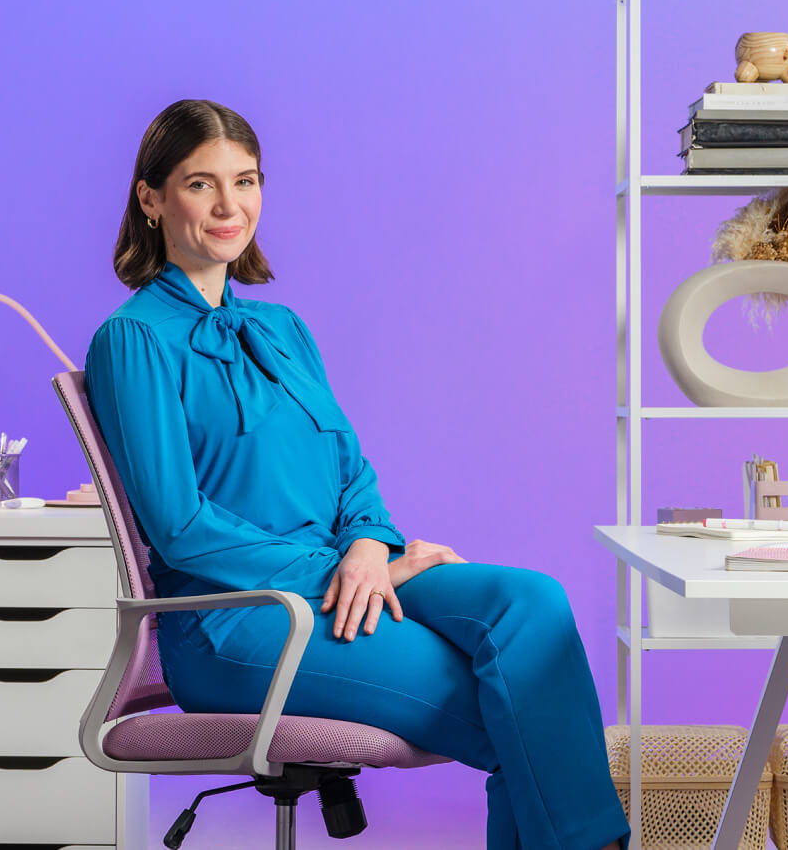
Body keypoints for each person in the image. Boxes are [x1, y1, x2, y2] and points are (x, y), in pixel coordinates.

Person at [84, 98, 630, 850]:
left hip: (347, 577)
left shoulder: (282, 328)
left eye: (245, 182)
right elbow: (179, 529)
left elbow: (351, 467)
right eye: (200, 183)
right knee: (526, 713)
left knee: (531, 601)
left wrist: (372, 551)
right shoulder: (133, 339)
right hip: (240, 618)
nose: (228, 205)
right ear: (151, 197)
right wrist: (345, 571)